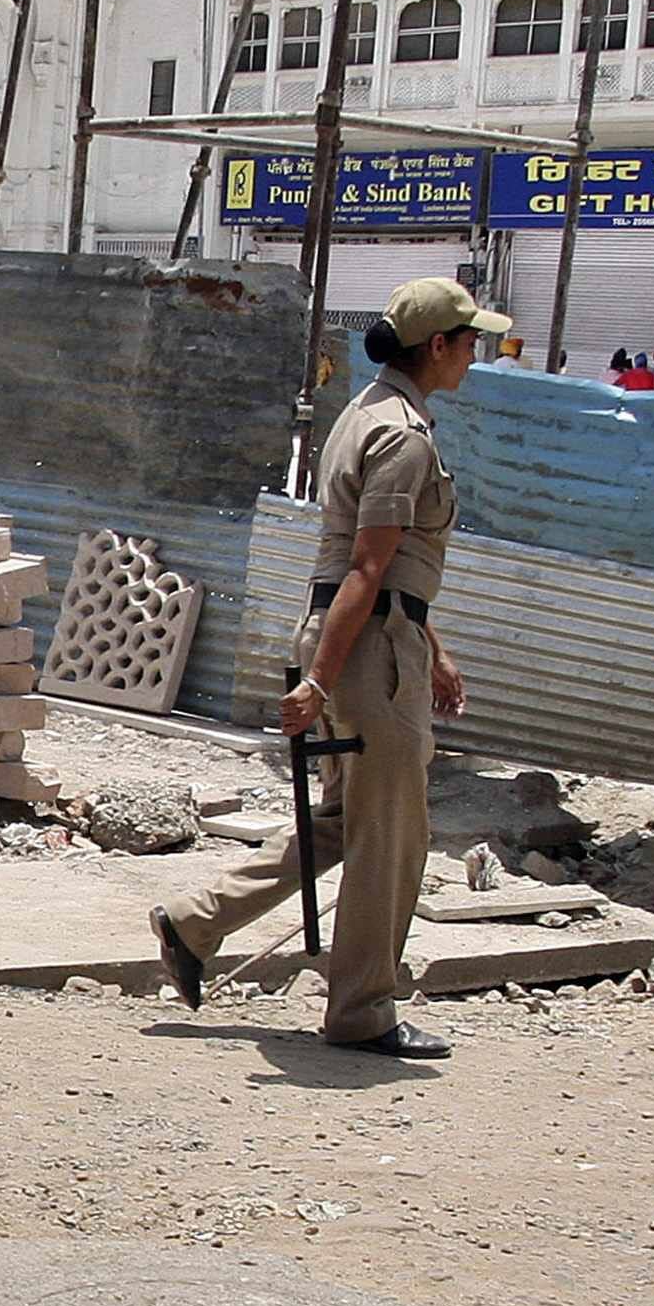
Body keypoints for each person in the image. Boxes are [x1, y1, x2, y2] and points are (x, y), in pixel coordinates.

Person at [153, 275, 495, 1060]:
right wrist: (321, 681)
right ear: (436, 345)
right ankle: (363, 1012)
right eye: (470, 340)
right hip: (368, 651)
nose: (477, 354)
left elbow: (382, 568)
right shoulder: (404, 436)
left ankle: (196, 921)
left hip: (366, 641)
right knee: (393, 837)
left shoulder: (368, 413)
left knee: (345, 824)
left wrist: (431, 650)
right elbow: (367, 572)